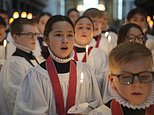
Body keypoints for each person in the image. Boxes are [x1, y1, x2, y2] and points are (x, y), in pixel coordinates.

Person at [13, 15, 104, 115]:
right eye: (58, 35)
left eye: (69, 35)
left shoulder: (85, 71)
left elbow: (97, 107)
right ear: (46, 40)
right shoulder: (36, 76)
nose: (65, 40)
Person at [91, 42, 154, 115]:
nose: (137, 84)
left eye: (144, 77)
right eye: (127, 77)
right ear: (112, 81)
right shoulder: (101, 113)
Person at [0, 18, 40, 115]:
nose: (34, 38)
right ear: (15, 37)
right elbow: (17, 98)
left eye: (35, 34)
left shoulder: (31, 57)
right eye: (29, 34)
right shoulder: (14, 64)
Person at [74, 16, 108, 92]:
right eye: (80, 27)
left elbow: (105, 83)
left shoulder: (100, 54)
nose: (84, 31)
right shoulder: (66, 53)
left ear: (93, 32)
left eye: (88, 28)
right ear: (73, 31)